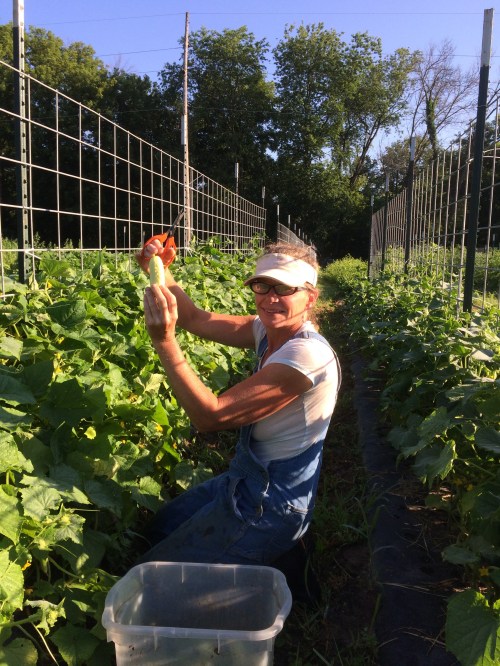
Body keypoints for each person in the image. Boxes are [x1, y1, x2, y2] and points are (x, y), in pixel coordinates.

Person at [135, 241, 341, 567]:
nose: (270, 298)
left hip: (271, 505)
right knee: (155, 532)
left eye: (284, 289)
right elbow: (195, 318)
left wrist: (164, 340)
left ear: (310, 297)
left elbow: (210, 416)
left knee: (153, 571)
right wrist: (158, 269)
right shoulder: (266, 330)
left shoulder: (307, 356)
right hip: (242, 480)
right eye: (262, 285)